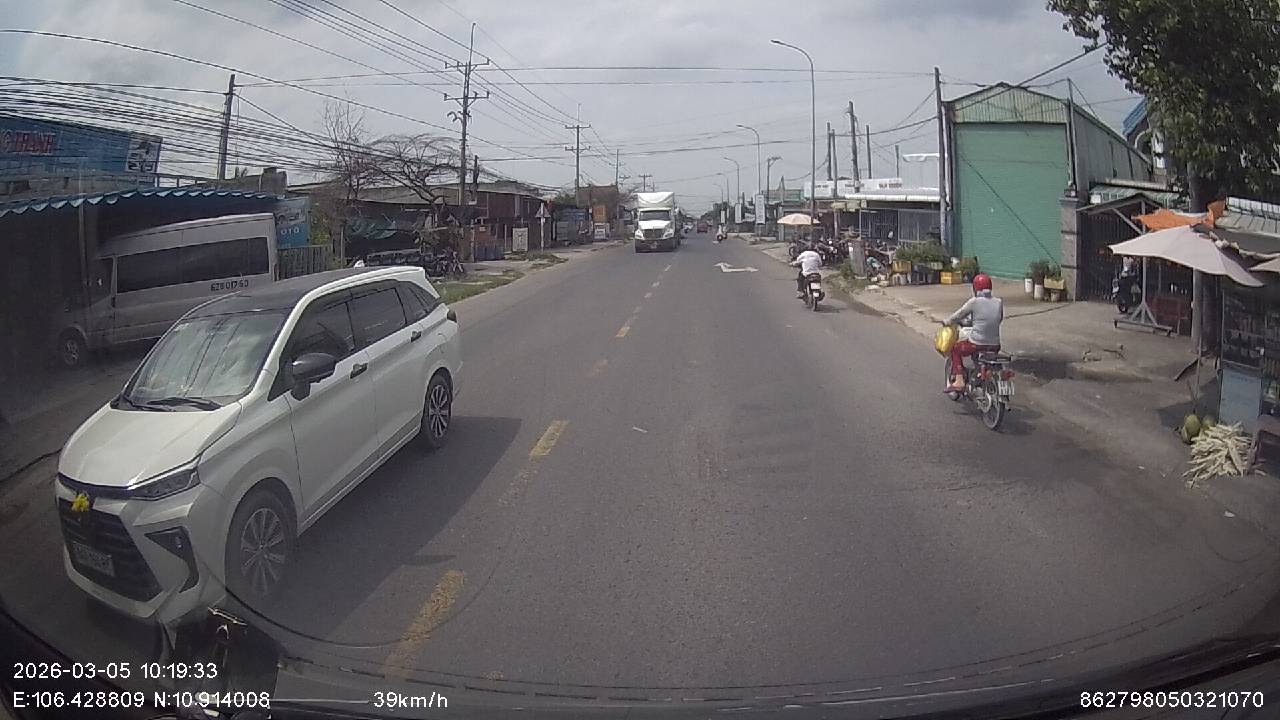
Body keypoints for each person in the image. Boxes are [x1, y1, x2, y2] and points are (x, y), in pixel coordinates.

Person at [943, 273, 1003, 391]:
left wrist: (947, 321)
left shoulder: (974, 302)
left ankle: (959, 381)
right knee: (982, 355)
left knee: (955, 349)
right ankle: (981, 372)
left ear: (975, 288)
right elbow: (998, 319)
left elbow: (959, 314)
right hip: (995, 345)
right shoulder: (998, 302)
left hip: (977, 344)